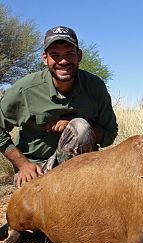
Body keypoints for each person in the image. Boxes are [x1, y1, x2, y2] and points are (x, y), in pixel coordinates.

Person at [0, 26, 118, 188]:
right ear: (45, 58)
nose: (63, 61)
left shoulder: (95, 86)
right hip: (37, 168)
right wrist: (23, 165)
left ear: (79, 55)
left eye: (69, 53)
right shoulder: (25, 89)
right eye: (55, 55)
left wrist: (73, 124)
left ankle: (74, 187)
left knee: (80, 127)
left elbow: (110, 134)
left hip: (82, 169)